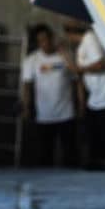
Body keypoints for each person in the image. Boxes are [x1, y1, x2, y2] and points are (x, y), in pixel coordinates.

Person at [68, 24, 105, 170]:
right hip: (97, 96)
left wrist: (78, 69)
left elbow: (100, 65)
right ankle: (98, 160)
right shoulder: (83, 45)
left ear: (69, 33)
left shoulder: (90, 38)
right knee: (94, 129)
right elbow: (81, 79)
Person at [21, 24, 78, 167]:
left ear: (52, 38)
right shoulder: (32, 60)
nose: (45, 43)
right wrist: (27, 108)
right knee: (45, 154)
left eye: (47, 39)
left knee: (70, 153)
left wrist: (81, 104)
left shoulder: (65, 57)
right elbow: (27, 87)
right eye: (41, 41)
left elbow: (77, 81)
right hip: (44, 114)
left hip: (66, 112)